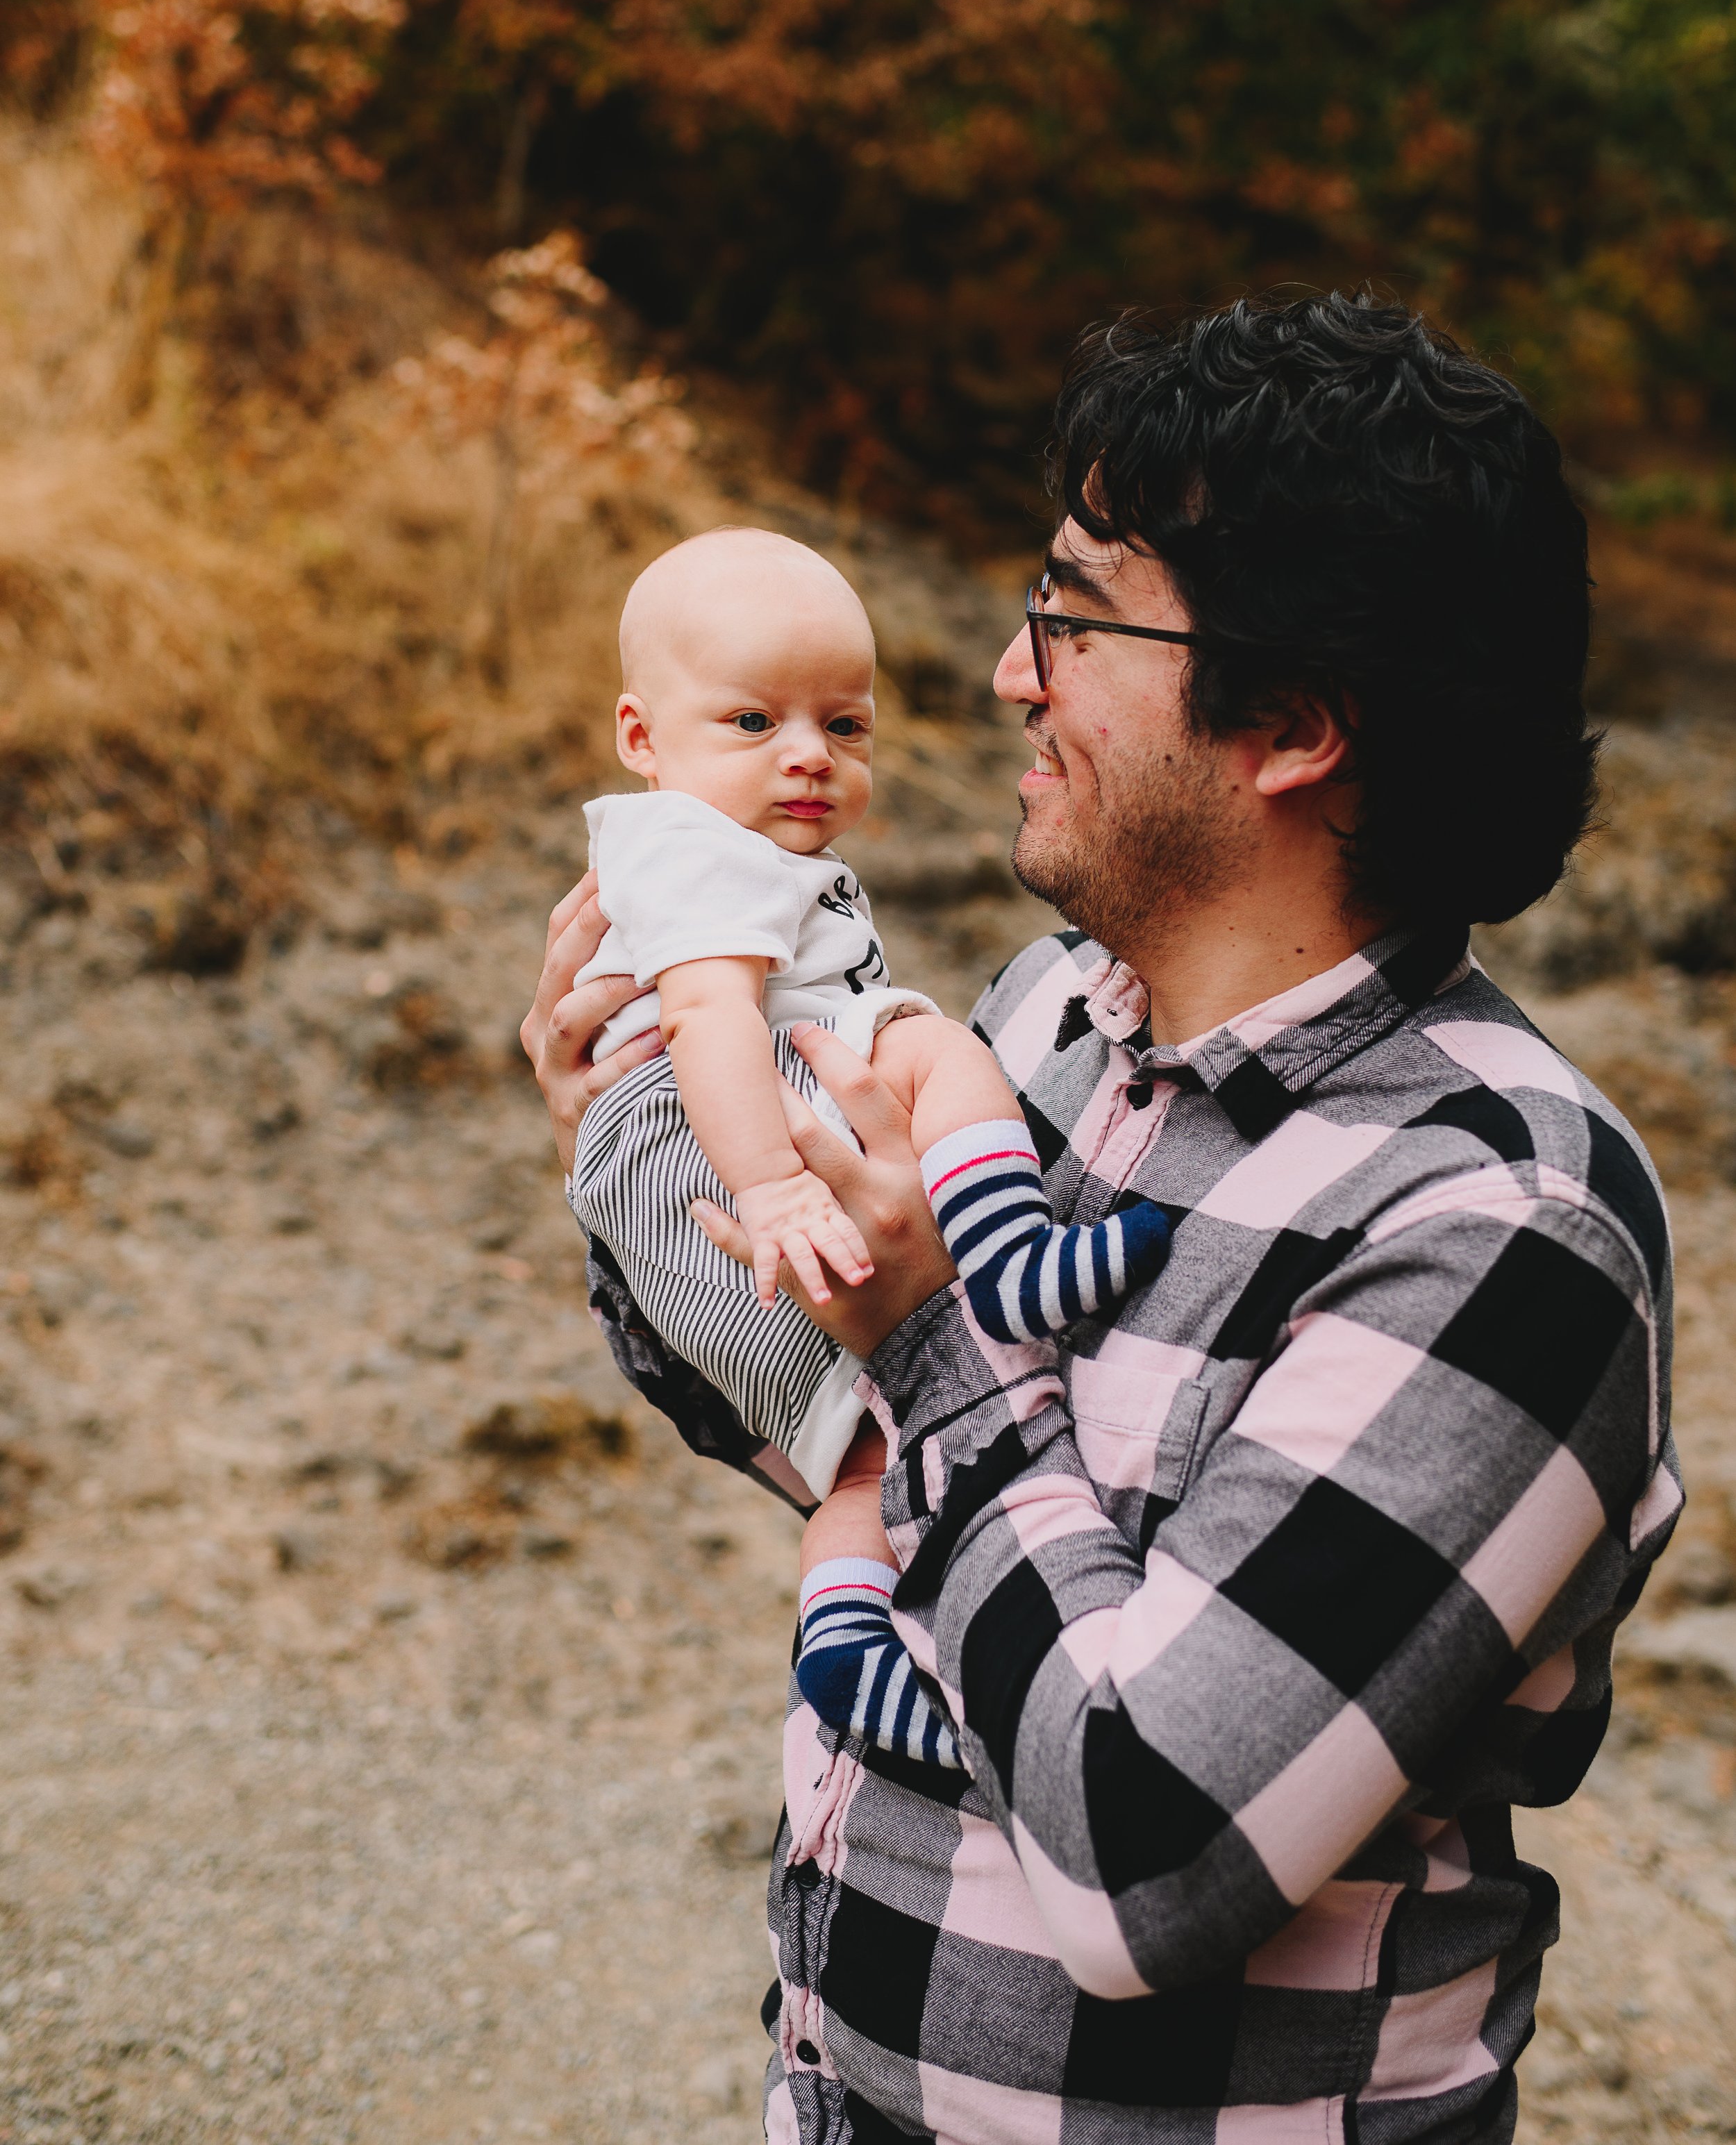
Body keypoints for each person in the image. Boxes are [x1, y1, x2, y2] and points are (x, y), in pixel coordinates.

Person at [523, 292, 1681, 2145]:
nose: (1004, 671)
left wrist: (922, 1324)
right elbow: (877, 1464)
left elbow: (1150, 1843)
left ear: (1291, 723)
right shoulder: (1051, 1020)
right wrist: (643, 1166)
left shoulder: (1500, 1220)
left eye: (1069, 610)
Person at [568, 526, 1169, 1760]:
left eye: (846, 727)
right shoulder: (700, 850)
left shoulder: (703, 849)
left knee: (862, 1469)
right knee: (926, 1041)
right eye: (752, 723)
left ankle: (846, 1648)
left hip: (693, 1193)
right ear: (642, 739)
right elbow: (708, 1016)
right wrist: (774, 1183)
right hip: (732, 1129)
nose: (808, 757)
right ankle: (1007, 1253)